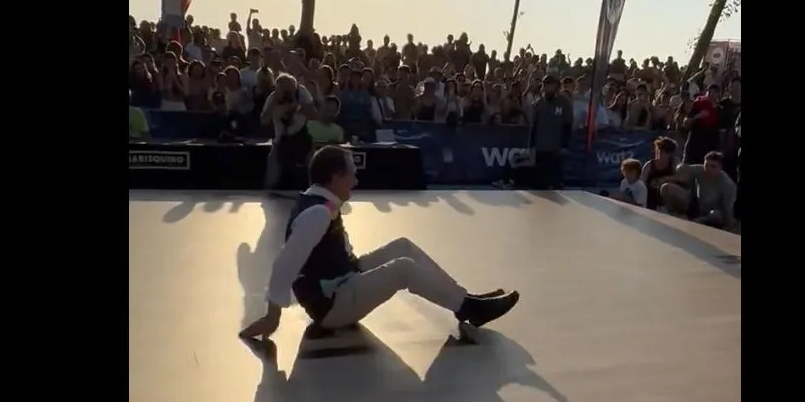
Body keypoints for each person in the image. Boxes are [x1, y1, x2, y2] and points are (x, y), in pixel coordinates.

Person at [241, 146, 520, 340]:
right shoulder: (317, 213)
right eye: (351, 173)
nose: (356, 179)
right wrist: (272, 317)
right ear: (336, 177)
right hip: (333, 304)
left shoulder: (318, 202)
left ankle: (464, 297)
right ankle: (469, 309)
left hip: (343, 279)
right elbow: (285, 263)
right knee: (403, 269)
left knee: (403, 246)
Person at [528, 74, 571, 189]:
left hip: (556, 147)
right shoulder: (539, 103)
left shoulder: (564, 102)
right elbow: (534, 125)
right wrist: (531, 145)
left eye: (551, 85)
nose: (548, 88)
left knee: (556, 181)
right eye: (546, 85)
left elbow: (568, 124)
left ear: (556, 86)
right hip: (541, 147)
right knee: (540, 182)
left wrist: (564, 145)